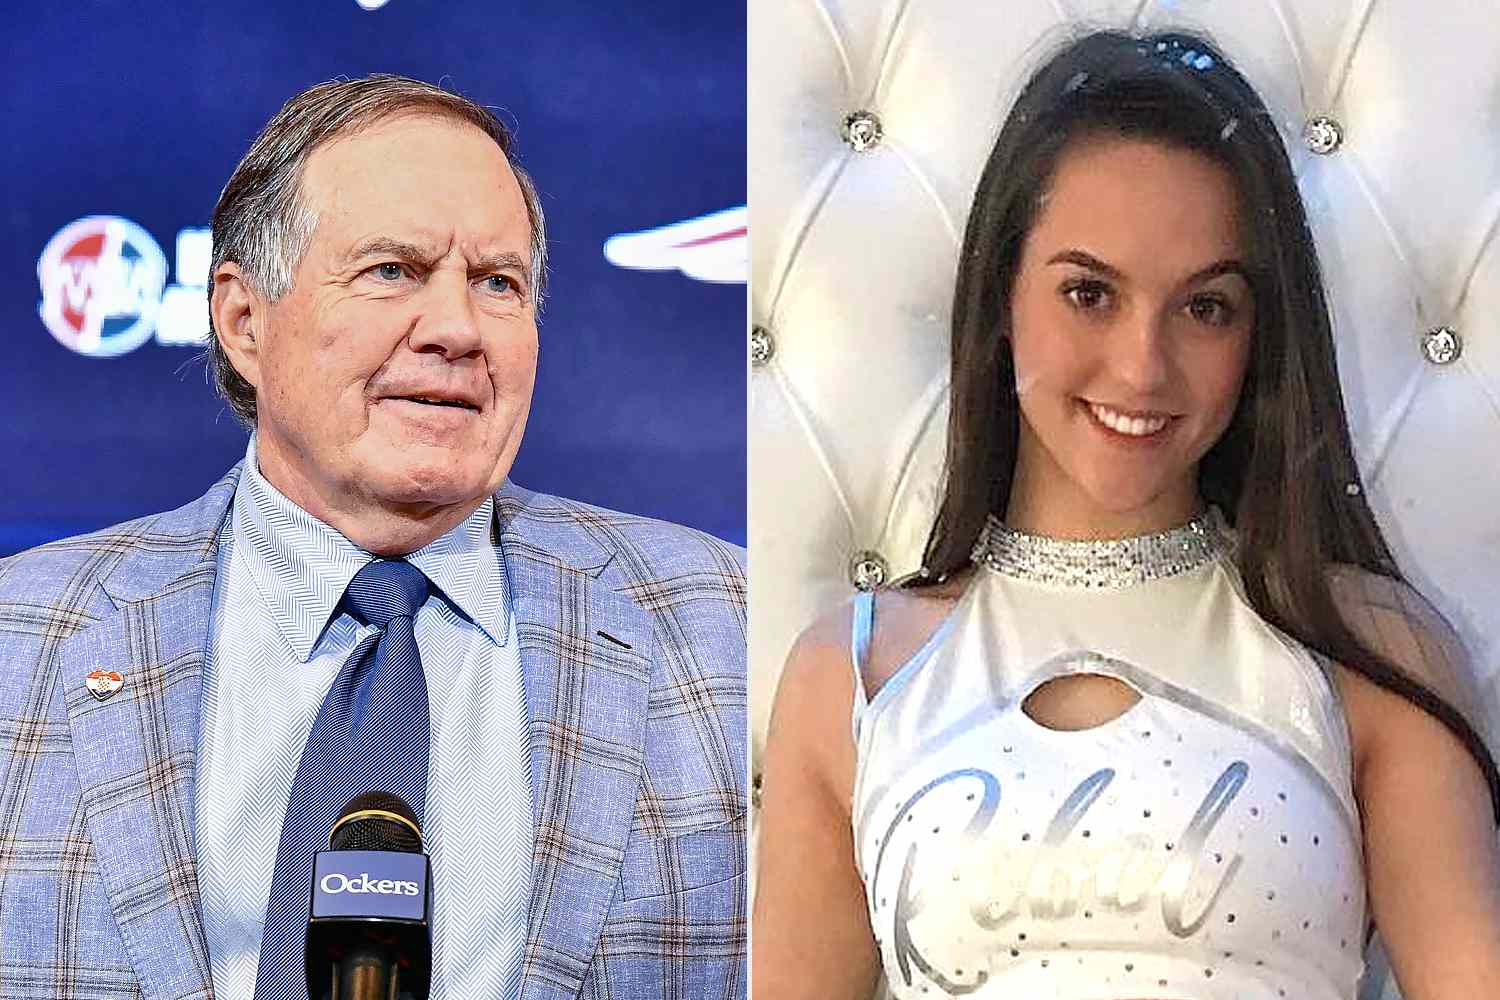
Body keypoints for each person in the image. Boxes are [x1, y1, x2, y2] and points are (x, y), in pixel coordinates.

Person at [753, 29, 1500, 1000]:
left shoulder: (1370, 656)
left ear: (1258, 332)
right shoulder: (850, 677)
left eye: (1205, 308)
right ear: (1002, 299)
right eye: (1090, 293)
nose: (1143, 365)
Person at [0, 75, 746, 1000]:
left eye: (497, 283)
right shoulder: (19, 639)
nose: (456, 329)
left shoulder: (727, 630)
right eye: (392, 270)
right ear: (243, 319)